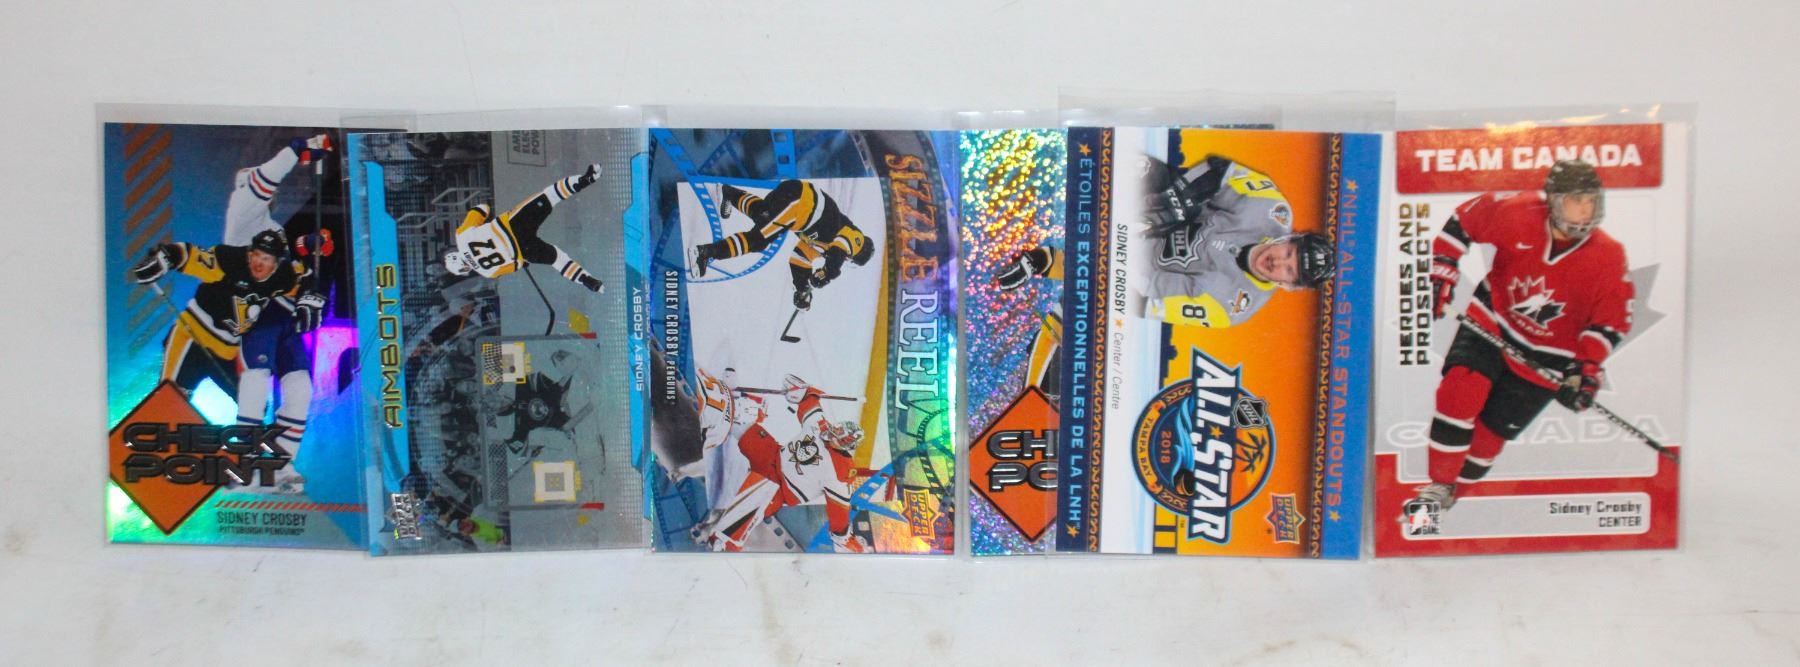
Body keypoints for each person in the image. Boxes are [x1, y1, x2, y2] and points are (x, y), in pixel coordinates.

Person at [1411, 160, 1633, 512]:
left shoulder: (1609, 255)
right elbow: (1462, 221)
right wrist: (1443, 266)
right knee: (1459, 392)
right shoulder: (1517, 211)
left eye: (1591, 200)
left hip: (1549, 358)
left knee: (1486, 444)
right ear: (1554, 200)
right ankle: (1436, 489)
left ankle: (1452, 499)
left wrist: (1585, 371)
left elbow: (1611, 322)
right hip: (1493, 322)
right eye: (1576, 201)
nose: (1585, 210)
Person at [689, 179, 875, 311]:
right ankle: (705, 252)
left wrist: (802, 289)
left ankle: (730, 193)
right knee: (758, 240)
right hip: (800, 204)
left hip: (796, 199)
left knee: (762, 214)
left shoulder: (826, 248)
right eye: (851, 259)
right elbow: (840, 250)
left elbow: (799, 259)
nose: (848, 259)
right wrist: (828, 273)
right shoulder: (855, 239)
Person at [443, 165, 606, 293]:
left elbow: (517, 265)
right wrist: (485, 222)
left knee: (557, 259)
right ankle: (586, 179)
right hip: (513, 225)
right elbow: (482, 208)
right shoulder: (461, 237)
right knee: (549, 196)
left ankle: (587, 280)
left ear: (464, 268)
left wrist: (522, 261)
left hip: (523, 249)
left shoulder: (487, 272)